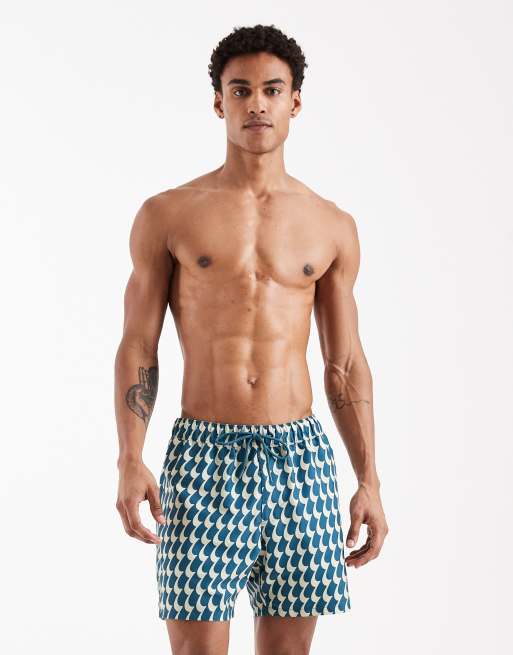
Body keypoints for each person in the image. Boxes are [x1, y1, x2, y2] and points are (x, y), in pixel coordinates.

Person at [114, 23, 388, 655]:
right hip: (204, 454)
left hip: (300, 457)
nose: (256, 104)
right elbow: (137, 346)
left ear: (295, 102)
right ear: (220, 102)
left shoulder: (331, 225)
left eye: (272, 90)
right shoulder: (168, 213)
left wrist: (369, 479)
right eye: (240, 90)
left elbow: (345, 363)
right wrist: (130, 457)